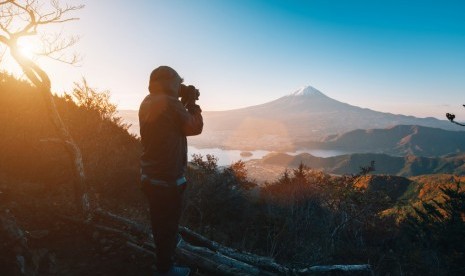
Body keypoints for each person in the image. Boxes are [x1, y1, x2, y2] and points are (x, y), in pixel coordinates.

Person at [139, 66, 203, 276]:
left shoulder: (148, 102)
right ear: (170, 83)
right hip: (168, 179)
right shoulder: (169, 103)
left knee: (159, 222)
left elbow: (173, 125)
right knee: (167, 226)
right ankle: (166, 269)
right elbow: (194, 127)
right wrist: (192, 103)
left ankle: (164, 257)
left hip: (150, 175)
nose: (180, 87)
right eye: (178, 83)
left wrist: (182, 100)